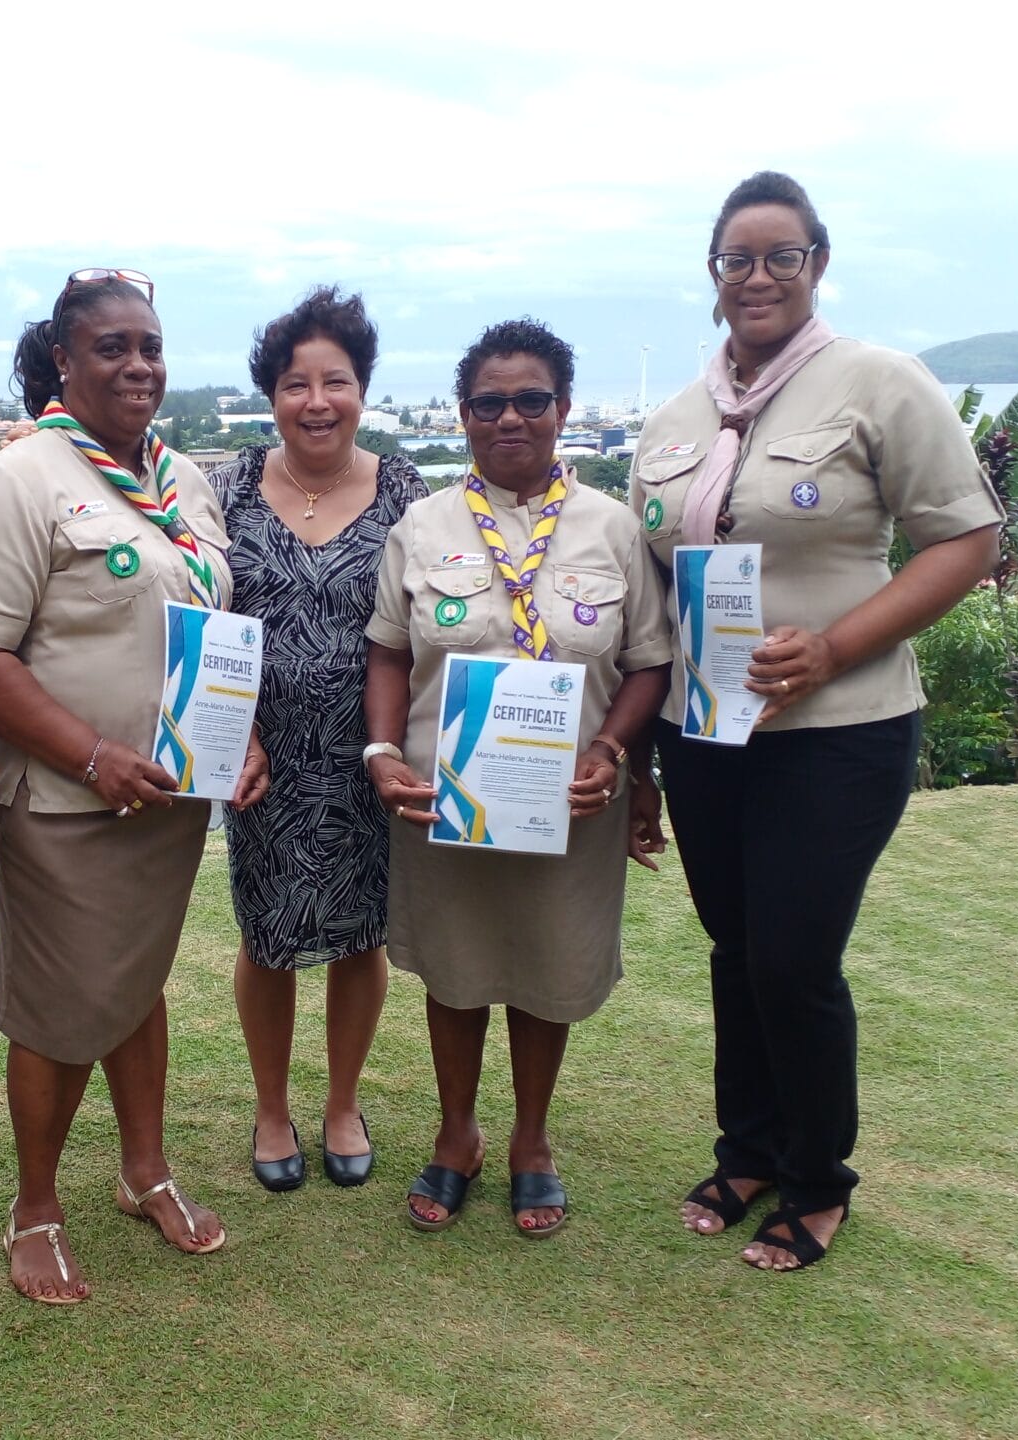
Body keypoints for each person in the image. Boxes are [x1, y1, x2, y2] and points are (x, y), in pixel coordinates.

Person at [629, 171, 1003, 1271]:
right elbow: (659, 585)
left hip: (839, 729)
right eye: (736, 258)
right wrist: (641, 747)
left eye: (779, 255)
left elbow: (965, 542)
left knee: (793, 958)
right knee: (735, 946)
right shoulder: (678, 417)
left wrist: (835, 645)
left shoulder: (879, 384)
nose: (756, 276)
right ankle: (745, 1149)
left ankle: (816, 1178)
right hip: (704, 733)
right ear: (714, 276)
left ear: (816, 266)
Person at [0, 269, 269, 1304]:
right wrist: (89, 754)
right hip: (70, 801)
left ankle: (143, 1171)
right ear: (63, 361)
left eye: (151, 347)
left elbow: (207, 633)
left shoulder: (180, 481)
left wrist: (236, 737)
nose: (138, 364)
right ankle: (35, 1207)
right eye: (112, 347)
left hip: (164, 802)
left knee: (133, 982)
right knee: (58, 1008)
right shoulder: (20, 482)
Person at [363, 319, 672, 1236]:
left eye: (530, 399)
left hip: (573, 804)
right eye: (489, 402)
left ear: (563, 410)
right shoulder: (421, 527)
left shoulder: (611, 527)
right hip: (443, 799)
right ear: (463, 416)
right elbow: (385, 652)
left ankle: (531, 1139)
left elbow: (649, 661)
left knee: (550, 963)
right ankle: (456, 1134)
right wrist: (381, 754)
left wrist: (613, 751)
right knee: (455, 971)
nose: (510, 418)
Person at [209, 287, 427, 1192]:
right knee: (267, 937)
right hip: (260, 755)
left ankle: (342, 1099)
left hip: (369, 754)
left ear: (362, 389)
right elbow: (196, 608)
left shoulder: (408, 490)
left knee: (358, 935)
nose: (317, 400)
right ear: (272, 395)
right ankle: (270, 1105)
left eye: (335, 380)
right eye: (296, 383)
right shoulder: (224, 488)